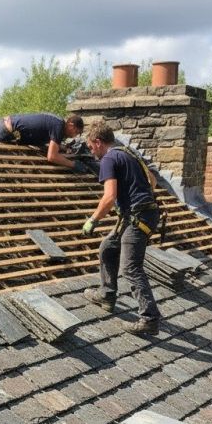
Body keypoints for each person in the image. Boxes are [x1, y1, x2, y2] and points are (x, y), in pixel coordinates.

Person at [80, 121, 161, 335]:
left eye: (90, 147)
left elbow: (109, 196)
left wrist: (93, 220)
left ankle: (149, 318)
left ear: (98, 142)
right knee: (108, 247)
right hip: (141, 213)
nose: (91, 152)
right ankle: (107, 295)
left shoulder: (108, 158)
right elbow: (152, 181)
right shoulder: (128, 153)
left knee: (130, 267)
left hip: (138, 216)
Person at [0, 113, 84, 168]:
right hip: (5, 131)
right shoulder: (59, 126)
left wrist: (62, 147)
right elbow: (52, 156)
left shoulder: (57, 124)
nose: (74, 136)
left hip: (3, 126)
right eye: (76, 132)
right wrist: (73, 164)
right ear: (71, 125)